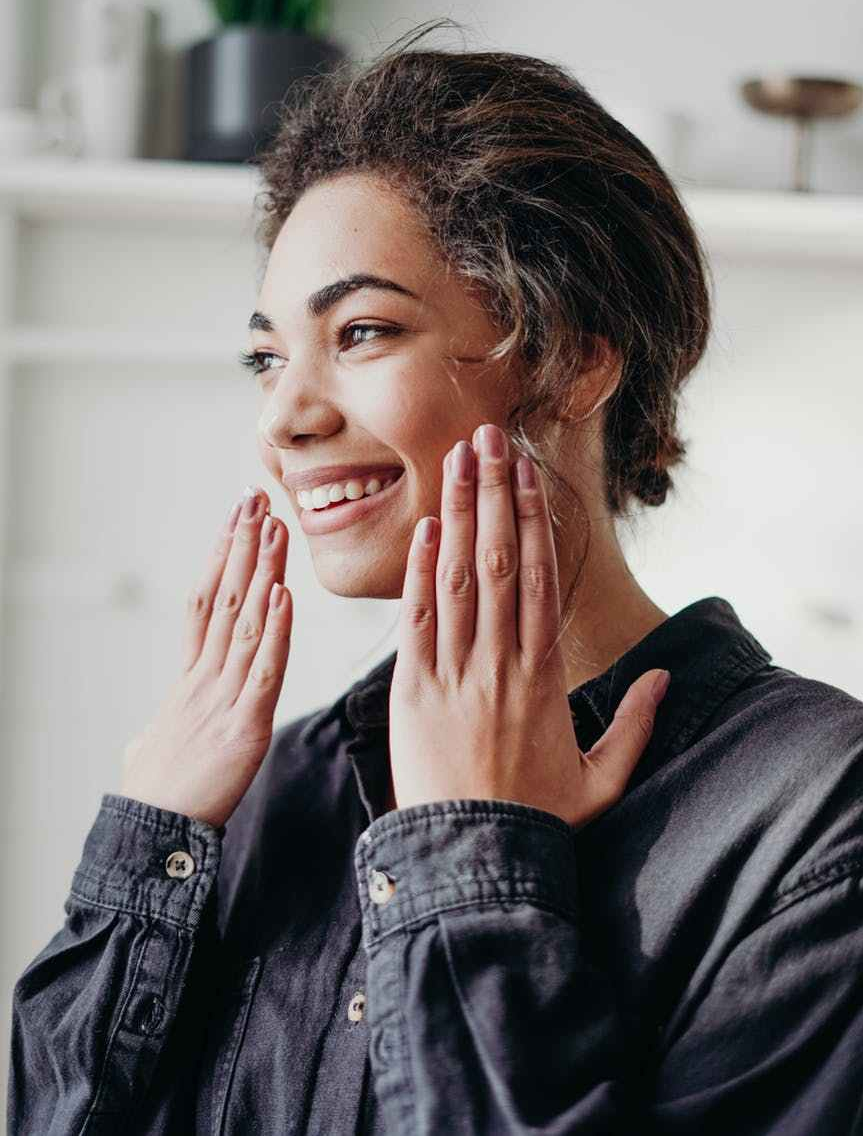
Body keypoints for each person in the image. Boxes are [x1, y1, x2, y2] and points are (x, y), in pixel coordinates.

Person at [8, 20, 863, 1136]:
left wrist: (475, 851)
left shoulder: (813, 818)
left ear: (570, 359)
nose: (284, 416)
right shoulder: (278, 789)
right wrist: (147, 843)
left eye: (359, 331)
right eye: (266, 355)